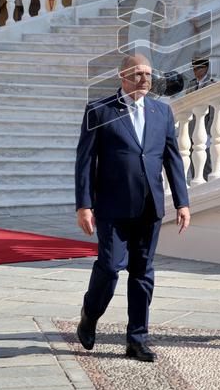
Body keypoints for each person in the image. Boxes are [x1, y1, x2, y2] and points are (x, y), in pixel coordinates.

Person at [75, 53, 191, 362]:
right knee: (110, 268)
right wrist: (84, 205)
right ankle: (90, 313)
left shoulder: (161, 112)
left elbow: (172, 158)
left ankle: (137, 339)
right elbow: (85, 162)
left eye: (149, 74)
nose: (145, 79)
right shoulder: (99, 110)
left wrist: (182, 201)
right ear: (122, 76)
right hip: (111, 206)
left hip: (150, 206)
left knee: (143, 273)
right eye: (138, 73)